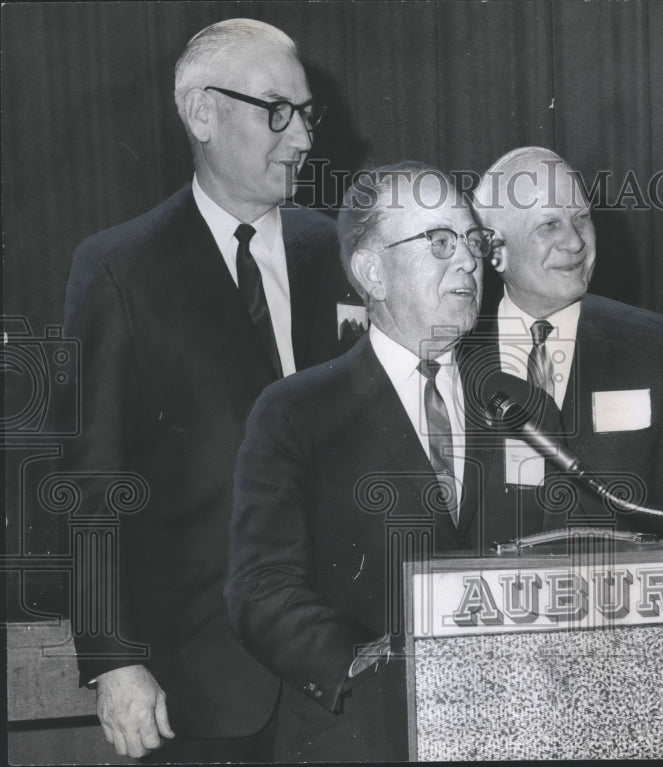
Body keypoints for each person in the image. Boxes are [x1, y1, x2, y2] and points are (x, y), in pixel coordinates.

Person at [61, 18, 358, 762]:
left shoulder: (344, 253)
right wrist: (113, 659)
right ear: (201, 112)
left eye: (307, 113)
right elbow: (90, 482)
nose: (301, 138)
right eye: (276, 111)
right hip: (199, 685)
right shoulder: (118, 269)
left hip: (348, 670)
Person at [225, 162, 512, 761]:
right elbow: (261, 588)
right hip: (362, 736)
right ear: (371, 272)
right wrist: (371, 666)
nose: (467, 261)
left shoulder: (516, 402)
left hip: (504, 729)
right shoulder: (296, 411)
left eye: (473, 241)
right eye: (439, 242)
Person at [468, 147, 663, 540]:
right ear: (495, 251)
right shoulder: (454, 353)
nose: (575, 242)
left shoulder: (660, 348)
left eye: (581, 218)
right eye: (549, 225)